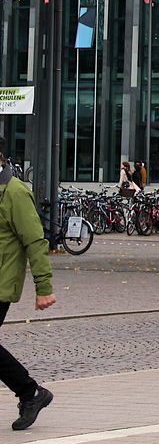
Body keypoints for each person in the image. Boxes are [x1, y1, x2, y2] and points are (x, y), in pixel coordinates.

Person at [0, 139, 55, 430]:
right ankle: (30, 392)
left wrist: (43, 286)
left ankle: (31, 392)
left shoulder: (15, 192)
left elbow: (35, 240)